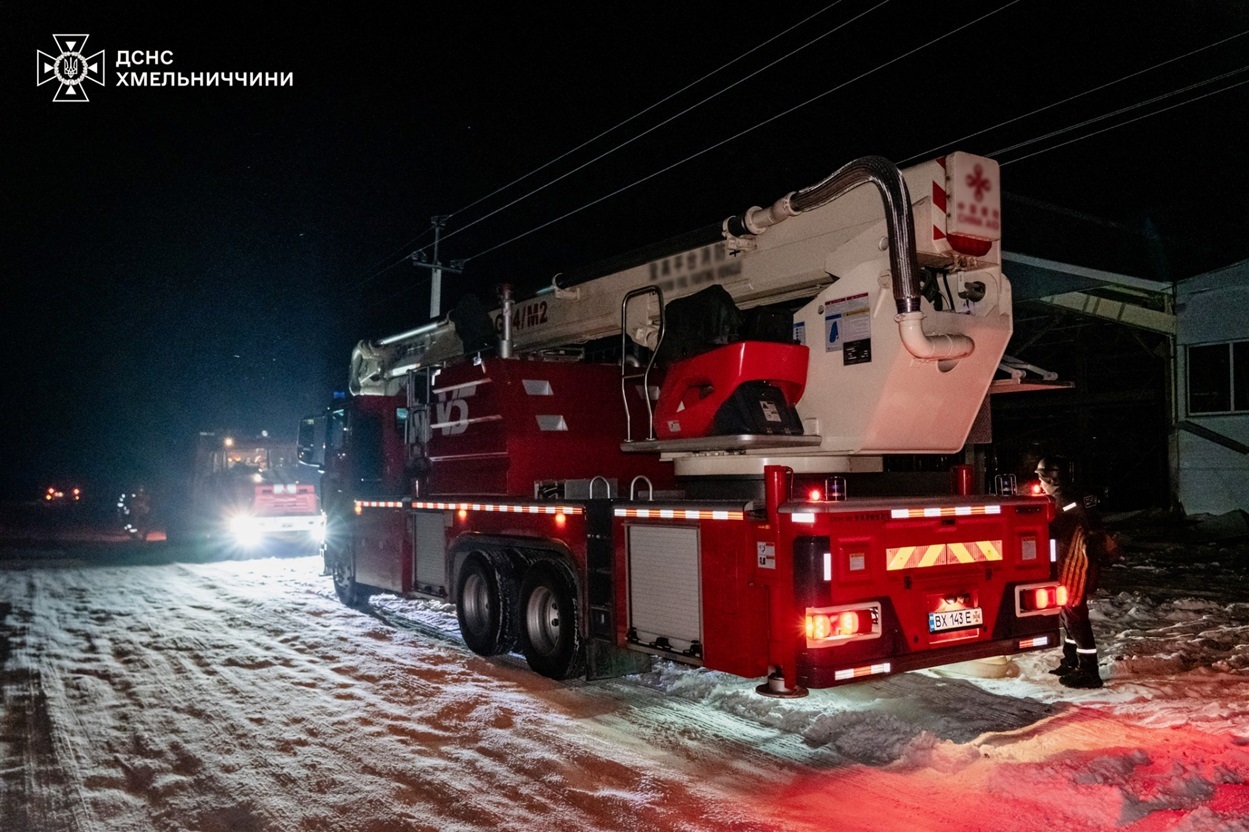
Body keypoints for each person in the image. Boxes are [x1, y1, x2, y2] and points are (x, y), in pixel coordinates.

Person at [1035, 456, 1116, 689]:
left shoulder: (1064, 502)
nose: (1040, 484)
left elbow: (1052, 529)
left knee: (1075, 615)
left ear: (1052, 478)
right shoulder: (1075, 496)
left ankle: (1089, 671)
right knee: (1068, 613)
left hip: (1075, 564)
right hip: (1077, 562)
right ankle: (1071, 661)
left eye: (1041, 479)